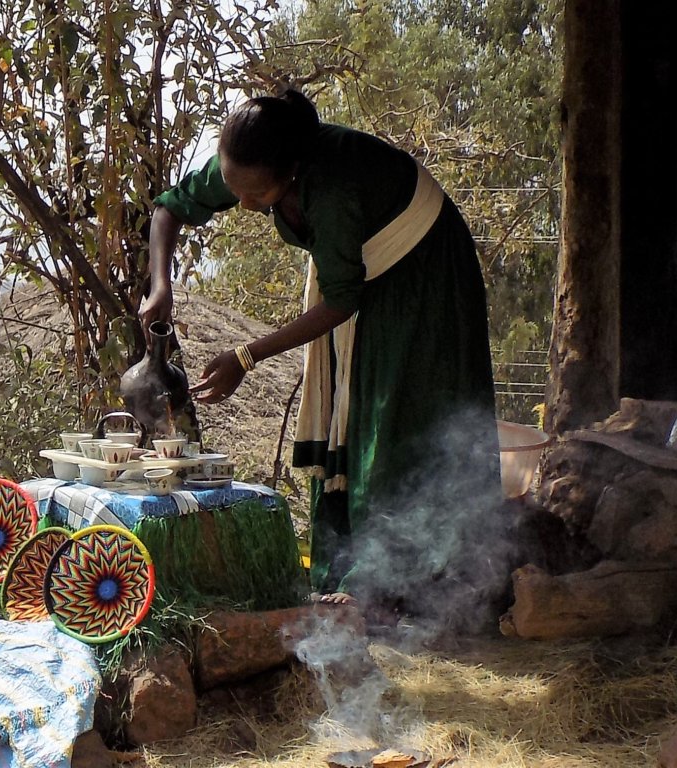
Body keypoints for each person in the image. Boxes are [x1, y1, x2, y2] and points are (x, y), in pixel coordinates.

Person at [139, 90, 502, 622]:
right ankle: (346, 576)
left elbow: (341, 300)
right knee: (354, 415)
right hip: (360, 275)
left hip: (423, 269)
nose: (242, 204)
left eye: (256, 196)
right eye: (234, 188)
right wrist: (159, 285)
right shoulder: (250, 158)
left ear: (291, 172)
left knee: (395, 420)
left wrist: (246, 354)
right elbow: (168, 211)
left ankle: (406, 590)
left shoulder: (332, 185)